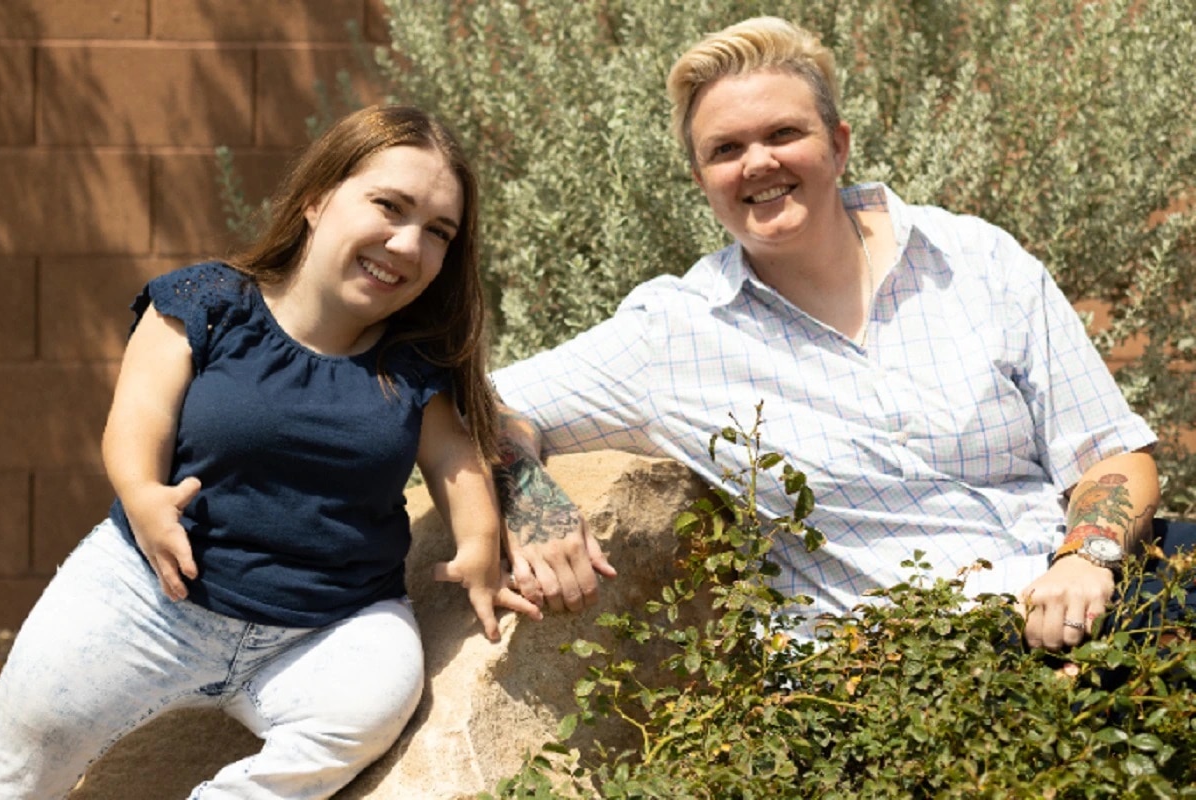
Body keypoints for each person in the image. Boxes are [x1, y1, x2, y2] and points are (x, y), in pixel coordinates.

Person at [492, 17, 1195, 651]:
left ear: (837, 144)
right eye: (725, 149)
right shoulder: (673, 336)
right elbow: (469, 400)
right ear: (701, 179)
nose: (758, 163)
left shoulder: (975, 259)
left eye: (783, 134)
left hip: (1091, 582)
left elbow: (1111, 455)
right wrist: (529, 496)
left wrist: (1085, 555)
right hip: (922, 659)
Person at [0, 104, 540, 799]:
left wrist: (480, 544)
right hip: (152, 595)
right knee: (26, 742)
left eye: (438, 232)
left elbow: (453, 461)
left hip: (329, 625)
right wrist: (142, 494)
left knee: (373, 699)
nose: (408, 245)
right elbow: (136, 416)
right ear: (316, 199)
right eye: (389, 206)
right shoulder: (208, 302)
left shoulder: (413, 363)